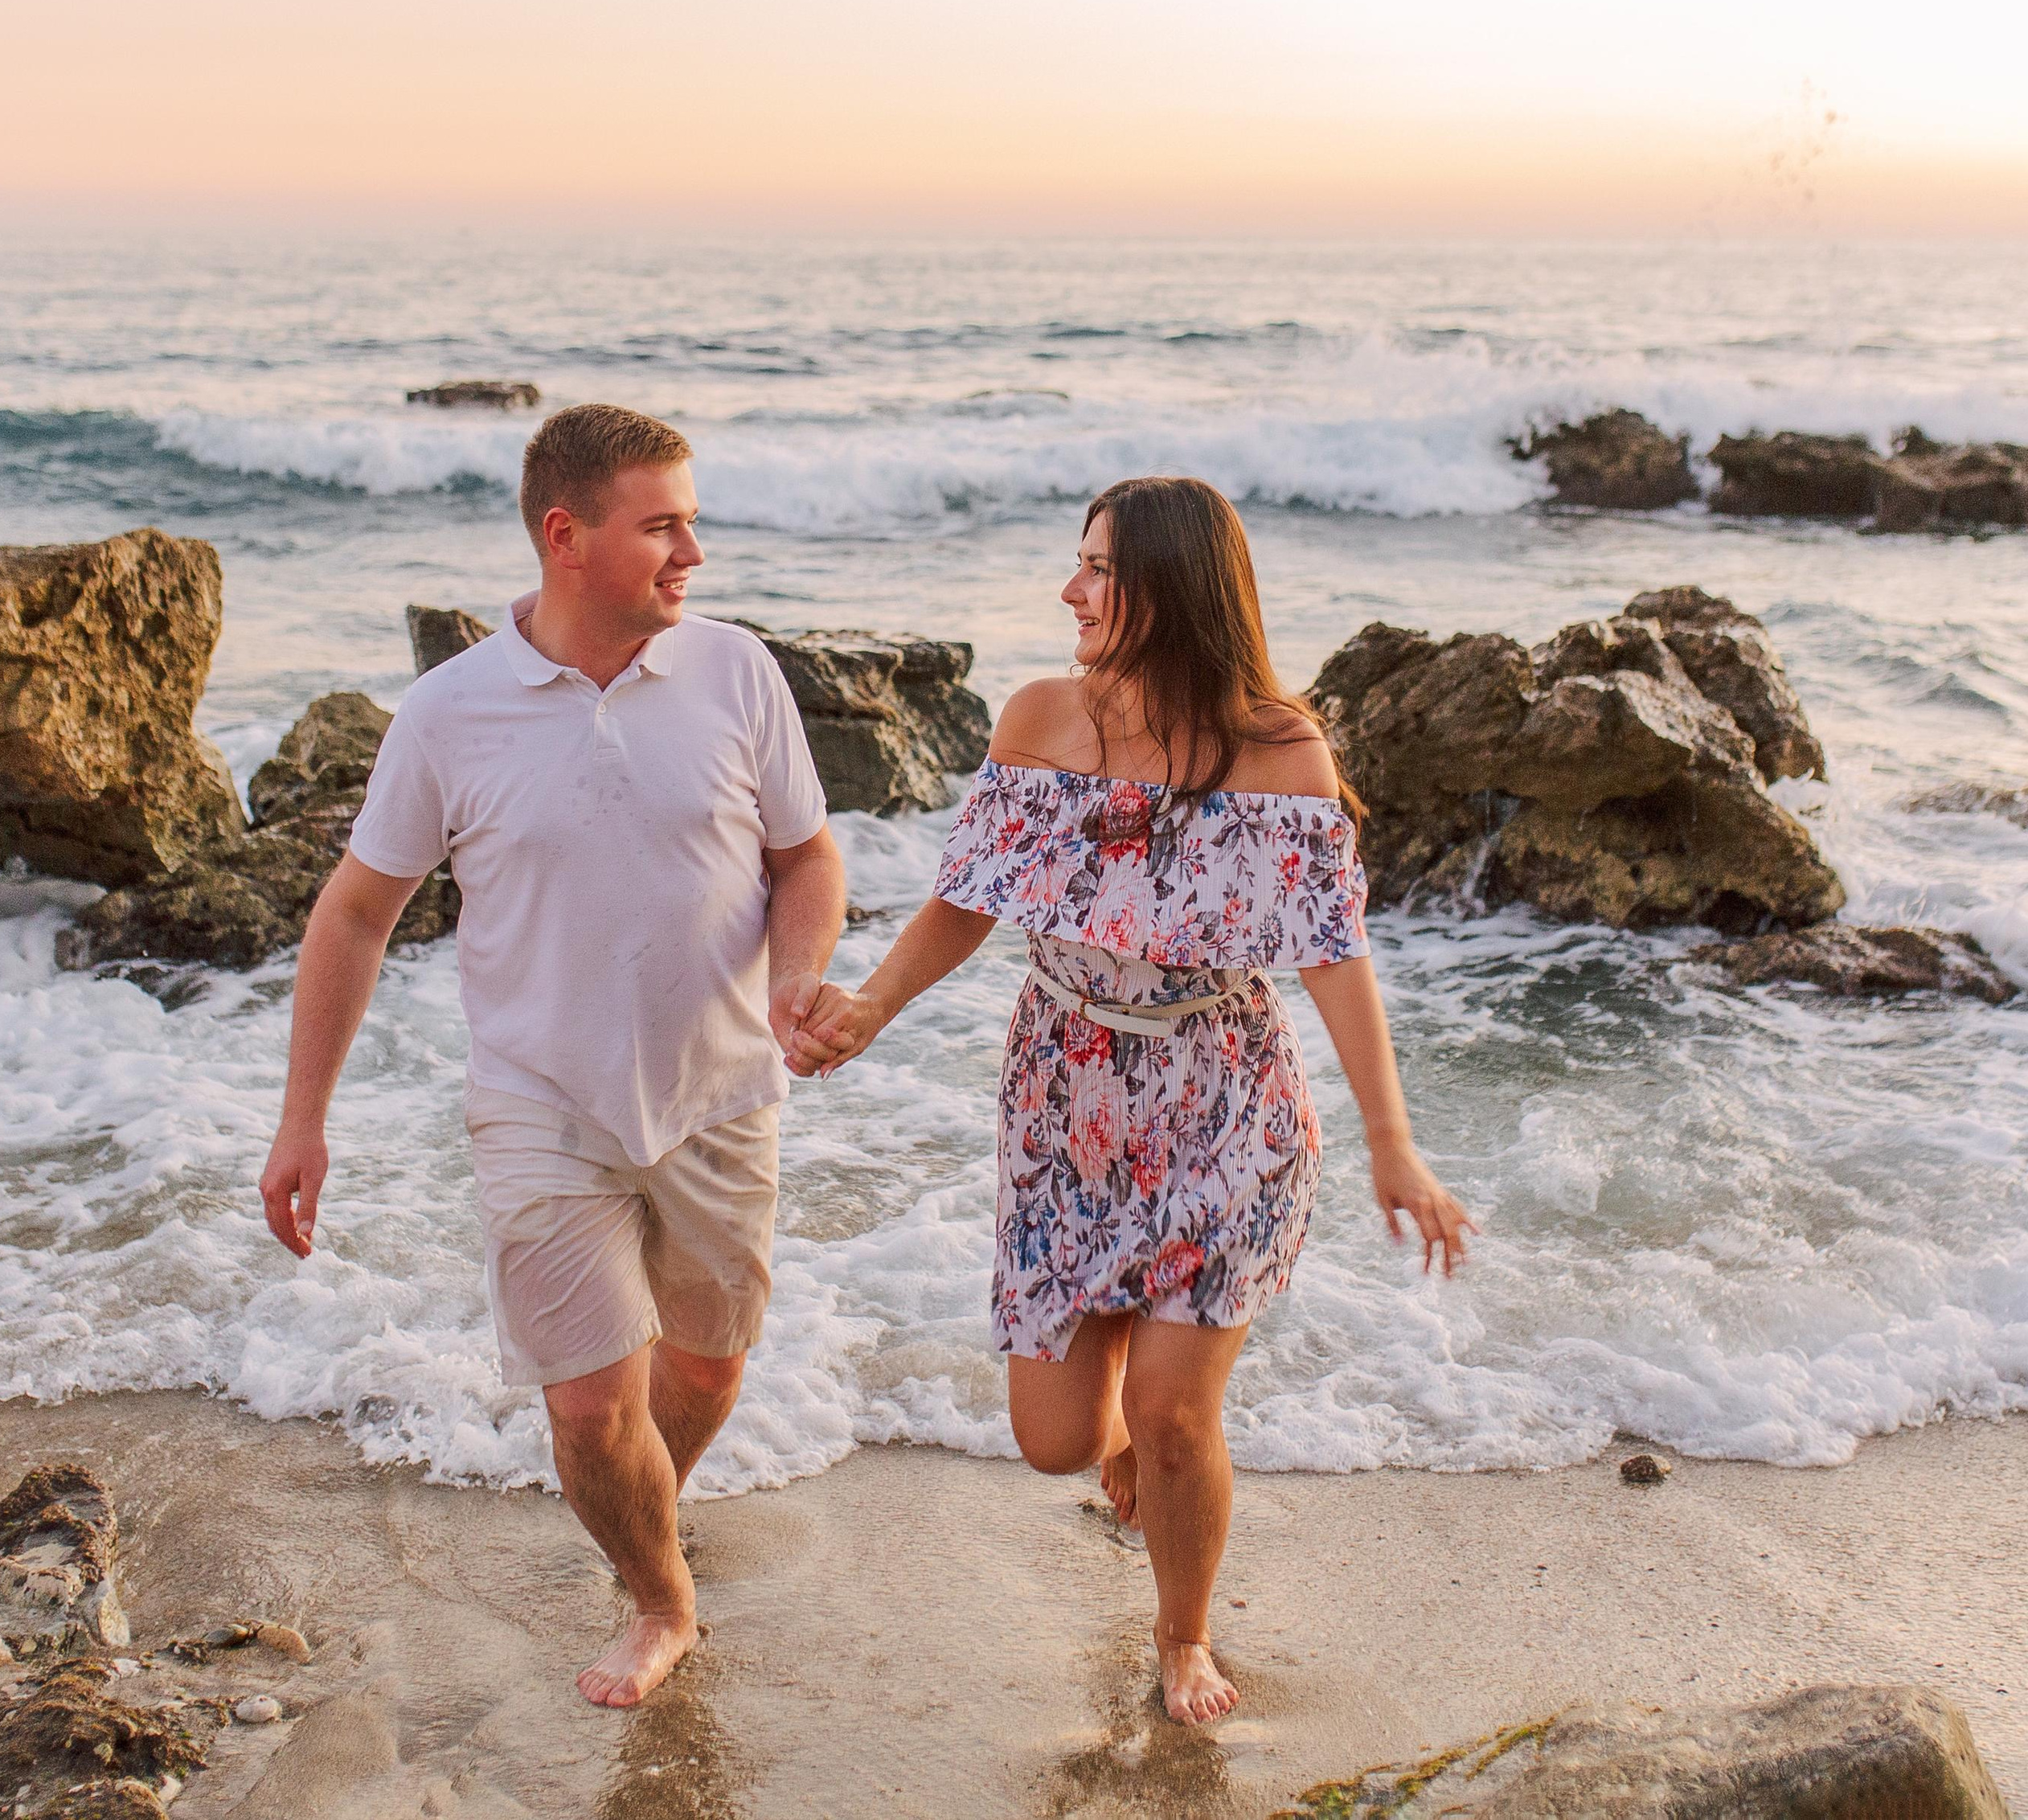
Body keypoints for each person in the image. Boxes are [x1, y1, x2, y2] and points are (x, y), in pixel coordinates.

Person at [790, 475, 1472, 1726]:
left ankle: (1183, 1636)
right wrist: (869, 1008)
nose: (1071, 591)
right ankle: (1120, 1458)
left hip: (1225, 1099)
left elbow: (1331, 951)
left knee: (1172, 1410)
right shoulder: (1044, 719)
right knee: (1056, 1438)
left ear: (1171, 586)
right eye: (1078, 564)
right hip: (1065, 1101)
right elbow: (972, 895)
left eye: (1099, 570)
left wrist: (1394, 1144)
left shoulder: (1281, 749)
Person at [257, 404, 847, 1710]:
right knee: (590, 1409)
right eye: (664, 525)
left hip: (721, 1087)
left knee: (703, 1370)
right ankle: (658, 1598)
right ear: (565, 537)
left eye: (693, 519)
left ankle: (642, 1510)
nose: (694, 550)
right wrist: (304, 1121)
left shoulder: (736, 671)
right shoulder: (449, 715)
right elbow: (356, 909)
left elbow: (807, 856)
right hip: (539, 1100)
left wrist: (799, 982)